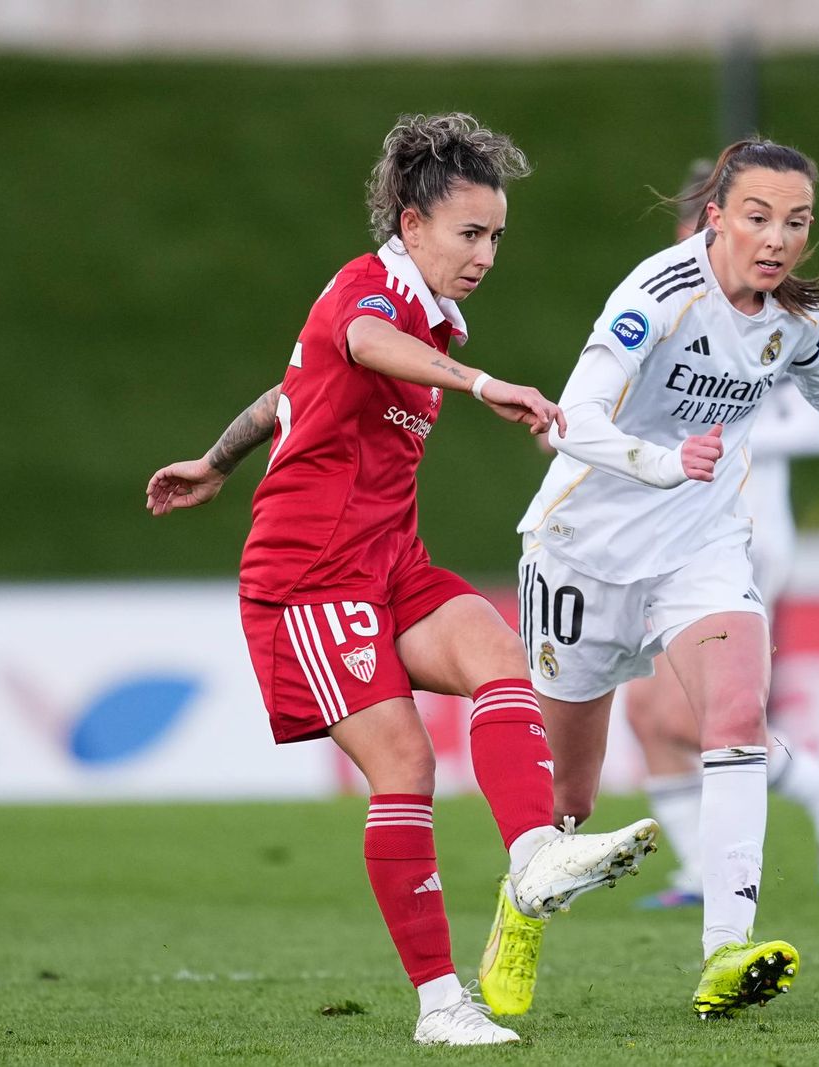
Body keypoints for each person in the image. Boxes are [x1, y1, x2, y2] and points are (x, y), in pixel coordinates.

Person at [143, 113, 657, 1048]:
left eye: (496, 235)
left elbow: (290, 388)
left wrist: (217, 459)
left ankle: (534, 857)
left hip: (390, 562)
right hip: (310, 576)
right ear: (412, 224)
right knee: (407, 766)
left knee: (502, 657)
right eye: (470, 232)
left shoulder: (426, 314)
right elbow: (362, 342)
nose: (486, 254)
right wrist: (479, 382)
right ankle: (440, 1005)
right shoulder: (369, 290)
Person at [480, 137, 819, 1021]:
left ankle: (725, 950)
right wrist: (663, 461)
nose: (778, 239)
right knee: (568, 800)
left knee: (735, 716)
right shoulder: (659, 294)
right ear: (715, 216)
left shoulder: (788, 319)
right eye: (758, 217)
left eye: (796, 221)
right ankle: (520, 910)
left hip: (702, 548)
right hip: (583, 553)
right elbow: (572, 421)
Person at [623, 162, 819, 911]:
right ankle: (699, 873)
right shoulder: (672, 305)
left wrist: (720, 423)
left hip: (740, 537)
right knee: (648, 716)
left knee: (687, 715)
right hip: (666, 539)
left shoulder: (770, 313)